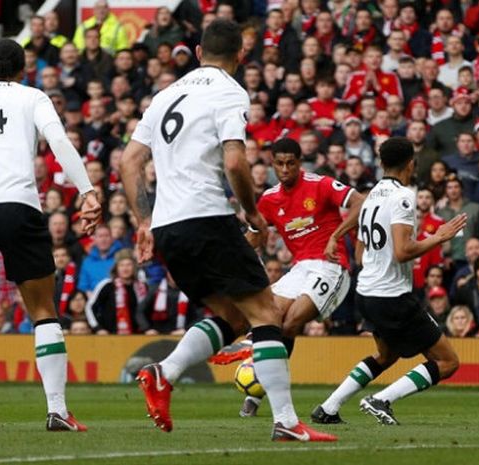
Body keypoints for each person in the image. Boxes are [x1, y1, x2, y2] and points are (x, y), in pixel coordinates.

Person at [119, 20, 335, 441]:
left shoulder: (164, 95)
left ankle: (165, 373)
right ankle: (287, 422)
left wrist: (143, 221)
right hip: (206, 217)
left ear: (198, 53)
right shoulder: (229, 91)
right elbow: (235, 162)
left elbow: (129, 162)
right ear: (240, 57)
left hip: (168, 226)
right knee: (267, 314)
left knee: (233, 316)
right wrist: (253, 212)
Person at [0, 39, 101, 431]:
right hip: (18, 203)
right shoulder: (32, 97)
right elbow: (60, 143)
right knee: (43, 311)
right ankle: (57, 410)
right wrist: (87, 191)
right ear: (22, 71)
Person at [313, 137, 467, 425]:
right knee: (448, 362)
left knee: (387, 356)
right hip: (392, 296)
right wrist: (438, 237)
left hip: (366, 292)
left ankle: (328, 407)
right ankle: (382, 399)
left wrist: (338, 236)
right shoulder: (403, 197)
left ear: (381, 163)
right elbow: (402, 251)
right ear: (411, 164)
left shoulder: (373, 195)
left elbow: (359, 246)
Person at [214, 138, 363, 417]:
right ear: (273, 164)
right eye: (279, 164)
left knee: (291, 322)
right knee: (269, 317)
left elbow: (360, 203)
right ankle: (258, 391)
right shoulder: (269, 199)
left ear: (299, 162)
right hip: (300, 269)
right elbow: (257, 234)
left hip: (331, 267)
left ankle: (261, 387)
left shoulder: (320, 184)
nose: (285, 169)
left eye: (290, 163)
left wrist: (336, 237)